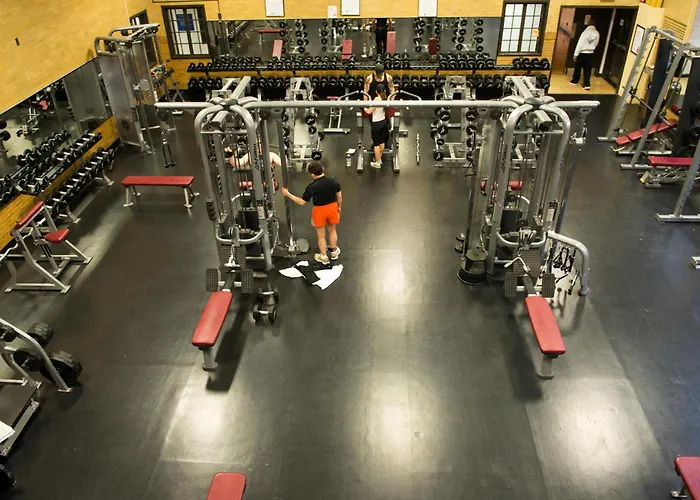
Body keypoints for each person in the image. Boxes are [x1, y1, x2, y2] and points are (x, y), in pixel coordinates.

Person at [281, 161, 342, 265]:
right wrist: (339, 207)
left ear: (312, 174)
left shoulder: (312, 187)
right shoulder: (333, 181)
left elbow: (302, 202)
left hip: (319, 210)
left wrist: (288, 194)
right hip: (332, 207)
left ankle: (323, 257)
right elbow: (339, 196)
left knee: (321, 236)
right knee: (332, 231)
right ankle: (334, 252)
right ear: (322, 169)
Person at [363, 84, 390, 169]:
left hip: (377, 124)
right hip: (384, 123)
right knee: (382, 143)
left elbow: (369, 112)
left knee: (376, 144)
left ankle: (377, 163)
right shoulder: (385, 98)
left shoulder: (376, 99)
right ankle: (379, 159)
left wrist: (364, 108)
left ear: (376, 91)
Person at [570, 16, 600, 91]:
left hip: (582, 52)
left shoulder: (585, 32)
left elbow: (580, 44)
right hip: (590, 53)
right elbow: (596, 44)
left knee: (578, 67)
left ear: (589, 23)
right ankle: (587, 84)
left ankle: (575, 81)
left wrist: (575, 54)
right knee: (588, 69)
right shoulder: (597, 33)